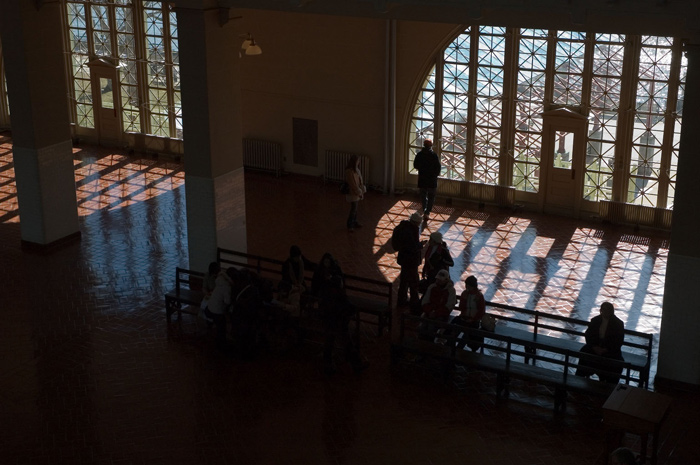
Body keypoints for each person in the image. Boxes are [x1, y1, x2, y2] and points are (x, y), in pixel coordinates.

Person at [313, 253, 367, 374]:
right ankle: (355, 364)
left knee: (330, 342)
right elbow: (346, 304)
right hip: (338, 319)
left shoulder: (327, 291)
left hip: (331, 318)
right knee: (344, 342)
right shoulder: (337, 292)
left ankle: (329, 366)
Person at [575, 302, 625, 383]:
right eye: (603, 310)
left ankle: (610, 383)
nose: (605, 312)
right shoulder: (595, 320)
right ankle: (579, 378)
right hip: (595, 347)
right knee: (584, 353)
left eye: (607, 310)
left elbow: (618, 341)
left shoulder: (618, 323)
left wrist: (606, 349)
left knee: (616, 362)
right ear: (601, 310)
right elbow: (589, 335)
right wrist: (594, 347)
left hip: (609, 349)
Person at [395, 211, 424, 310]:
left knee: (404, 281)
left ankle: (401, 300)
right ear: (416, 222)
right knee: (413, 281)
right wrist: (421, 245)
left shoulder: (404, 227)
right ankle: (414, 302)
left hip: (404, 259)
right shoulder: (412, 230)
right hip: (410, 261)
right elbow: (413, 247)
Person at [418, 269, 456, 341]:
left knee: (431, 327)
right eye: (438, 280)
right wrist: (430, 312)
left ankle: (428, 344)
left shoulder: (450, 290)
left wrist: (435, 313)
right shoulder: (432, 287)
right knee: (422, 327)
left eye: (440, 280)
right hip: (430, 313)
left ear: (446, 280)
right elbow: (425, 302)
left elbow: (448, 307)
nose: (438, 281)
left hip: (441, 316)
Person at [450, 275, 486, 351]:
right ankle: (450, 346)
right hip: (464, 318)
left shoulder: (479, 296)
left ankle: (458, 349)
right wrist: (464, 299)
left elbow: (481, 311)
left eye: (468, 286)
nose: (467, 287)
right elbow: (461, 308)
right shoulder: (465, 294)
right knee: (454, 330)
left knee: (467, 333)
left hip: (474, 321)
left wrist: (473, 319)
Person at [205, 267, 236, 349]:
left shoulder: (220, 281)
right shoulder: (227, 287)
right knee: (222, 326)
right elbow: (227, 301)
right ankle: (221, 344)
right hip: (217, 311)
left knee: (220, 323)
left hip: (209, 307)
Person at [279, 245, 315, 315]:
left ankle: (300, 309)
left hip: (299, 283)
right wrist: (294, 286)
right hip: (290, 285)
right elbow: (285, 278)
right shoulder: (287, 265)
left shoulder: (301, 260)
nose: (298, 258)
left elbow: (309, 264)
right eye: (297, 257)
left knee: (306, 294)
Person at [413, 139, 441, 223]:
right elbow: (438, 167)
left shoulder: (419, 155)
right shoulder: (434, 155)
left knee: (423, 196)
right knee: (431, 197)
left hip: (422, 178)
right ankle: (427, 212)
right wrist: (435, 175)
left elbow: (415, 165)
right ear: (431, 146)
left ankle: (424, 209)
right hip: (432, 179)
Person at [345, 155, 366, 232]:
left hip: (356, 191)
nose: (359, 162)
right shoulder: (349, 172)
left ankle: (354, 222)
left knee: (355, 209)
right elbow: (352, 184)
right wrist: (359, 191)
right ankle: (350, 224)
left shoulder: (356, 170)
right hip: (353, 192)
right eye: (358, 161)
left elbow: (359, 181)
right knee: (354, 208)